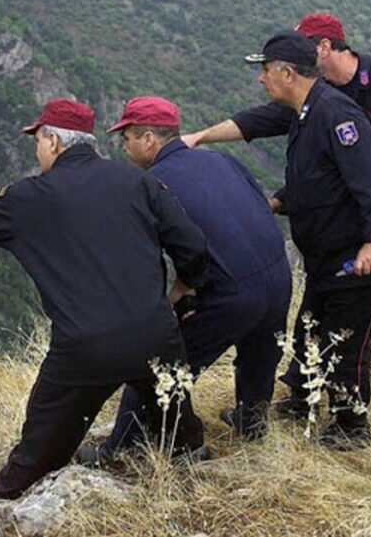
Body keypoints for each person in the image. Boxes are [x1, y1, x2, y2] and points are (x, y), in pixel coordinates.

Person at [0, 98, 210, 500]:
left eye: (38, 141)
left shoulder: (29, 197)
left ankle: (4, 500)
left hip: (86, 345)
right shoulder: (137, 181)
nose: (37, 150)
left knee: (44, 440)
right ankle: (191, 471)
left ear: (53, 141)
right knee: (177, 423)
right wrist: (183, 291)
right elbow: (192, 246)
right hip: (155, 332)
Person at [183, 13, 371, 453]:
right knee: (343, 321)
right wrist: (200, 139)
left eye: (269, 68)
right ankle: (310, 400)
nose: (262, 78)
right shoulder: (314, 102)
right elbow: (268, 128)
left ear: (321, 51)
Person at [77, 96, 292, 464]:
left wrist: (176, 293)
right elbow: (258, 205)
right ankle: (252, 421)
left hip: (232, 290)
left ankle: (121, 449)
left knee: (158, 367)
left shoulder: (151, 184)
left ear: (149, 139)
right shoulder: (219, 159)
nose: (123, 146)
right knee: (260, 354)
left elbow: (150, 256)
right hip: (278, 274)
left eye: (127, 137)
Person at [230, 30, 371, 449]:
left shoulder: (337, 115)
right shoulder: (305, 114)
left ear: (288, 73)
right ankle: (302, 403)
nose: (261, 79)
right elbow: (320, 180)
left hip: (359, 258)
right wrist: (278, 201)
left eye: (265, 70)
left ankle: (350, 428)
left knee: (343, 344)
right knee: (308, 334)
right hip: (327, 257)